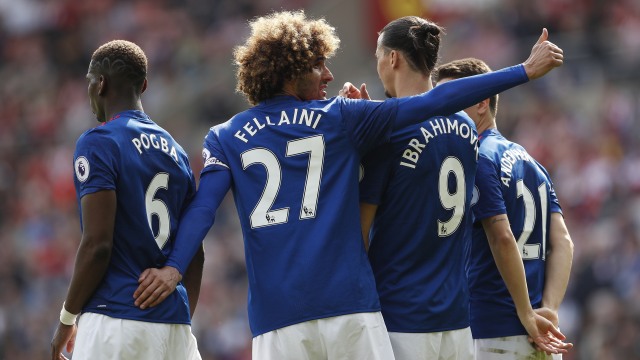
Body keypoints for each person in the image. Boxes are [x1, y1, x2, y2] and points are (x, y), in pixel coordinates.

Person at [132, 10, 564, 359]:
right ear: (292, 68)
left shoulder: (225, 135)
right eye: (318, 64)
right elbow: (434, 101)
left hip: (277, 319)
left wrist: (173, 269)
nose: (328, 75)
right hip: (352, 310)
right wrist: (522, 71)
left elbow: (204, 209)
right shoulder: (341, 118)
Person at [349, 16, 569, 360]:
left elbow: (359, 234)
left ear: (392, 58)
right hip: (456, 323)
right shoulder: (466, 127)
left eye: (379, 55)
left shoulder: (386, 133)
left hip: (401, 315)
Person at [50, 40, 203, 360]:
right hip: (175, 329)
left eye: (90, 83)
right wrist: (180, 319)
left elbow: (97, 246)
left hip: (115, 322)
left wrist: (66, 319)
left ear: (100, 83)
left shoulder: (99, 142)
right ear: (144, 85)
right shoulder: (176, 152)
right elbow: (195, 253)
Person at [434, 58, 575, 359]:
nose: (440, 109)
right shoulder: (531, 162)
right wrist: (548, 309)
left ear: (482, 102)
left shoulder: (479, 158)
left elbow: (503, 238)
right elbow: (562, 241)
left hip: (494, 331)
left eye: (451, 100)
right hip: (541, 331)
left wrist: (525, 314)